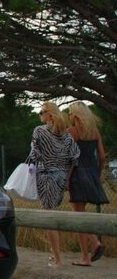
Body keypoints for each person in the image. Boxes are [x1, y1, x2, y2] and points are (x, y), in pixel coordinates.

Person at [29, 101, 80, 269]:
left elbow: (34, 155)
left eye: (42, 112)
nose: (40, 115)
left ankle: (57, 259)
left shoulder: (39, 131)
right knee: (52, 213)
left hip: (45, 176)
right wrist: (66, 178)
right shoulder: (66, 135)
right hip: (61, 177)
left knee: (48, 216)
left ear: (49, 114)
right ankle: (53, 254)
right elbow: (75, 157)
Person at [67, 101, 108, 266]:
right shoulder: (94, 132)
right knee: (81, 214)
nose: (69, 116)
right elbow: (103, 157)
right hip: (91, 173)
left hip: (77, 174)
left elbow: (71, 159)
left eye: (70, 113)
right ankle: (89, 250)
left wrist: (67, 179)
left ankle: (88, 252)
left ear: (75, 116)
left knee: (78, 216)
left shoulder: (72, 132)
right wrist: (97, 174)